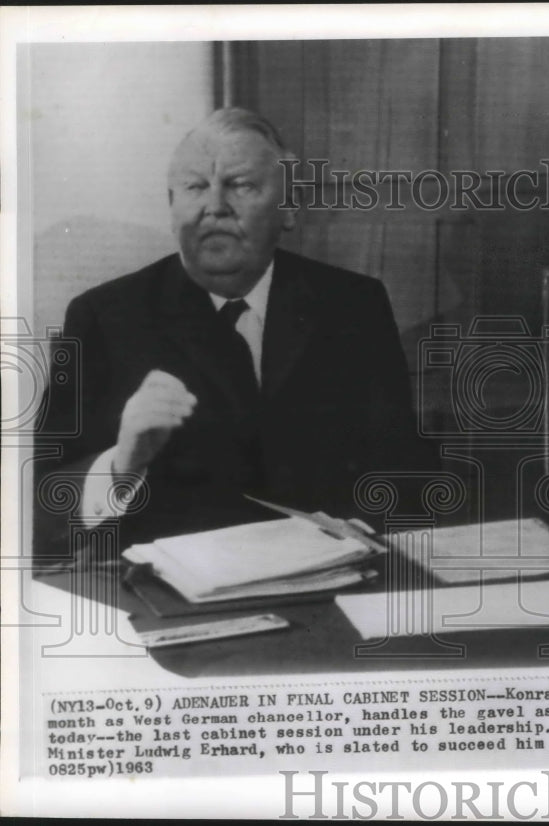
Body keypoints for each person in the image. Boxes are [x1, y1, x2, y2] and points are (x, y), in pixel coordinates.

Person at [35, 107, 435, 554]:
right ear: (172, 208)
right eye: (194, 187)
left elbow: (403, 464)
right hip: (172, 593)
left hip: (335, 580)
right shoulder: (105, 317)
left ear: (287, 209)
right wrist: (122, 462)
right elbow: (41, 505)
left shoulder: (353, 304)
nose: (215, 206)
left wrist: (363, 540)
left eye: (241, 185)